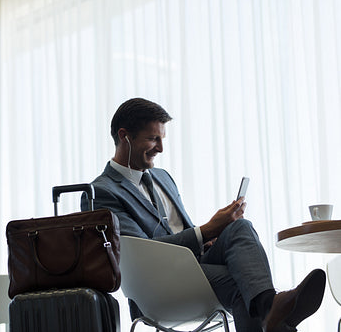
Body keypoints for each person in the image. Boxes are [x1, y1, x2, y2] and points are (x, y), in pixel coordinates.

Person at [81, 98, 326, 332]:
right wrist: (207, 230)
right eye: (153, 139)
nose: (161, 148)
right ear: (125, 136)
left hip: (193, 264)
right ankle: (272, 310)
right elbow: (139, 253)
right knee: (239, 282)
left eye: (162, 139)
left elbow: (179, 232)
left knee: (239, 227)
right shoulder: (102, 193)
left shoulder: (163, 178)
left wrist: (211, 236)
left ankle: (270, 309)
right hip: (156, 284)